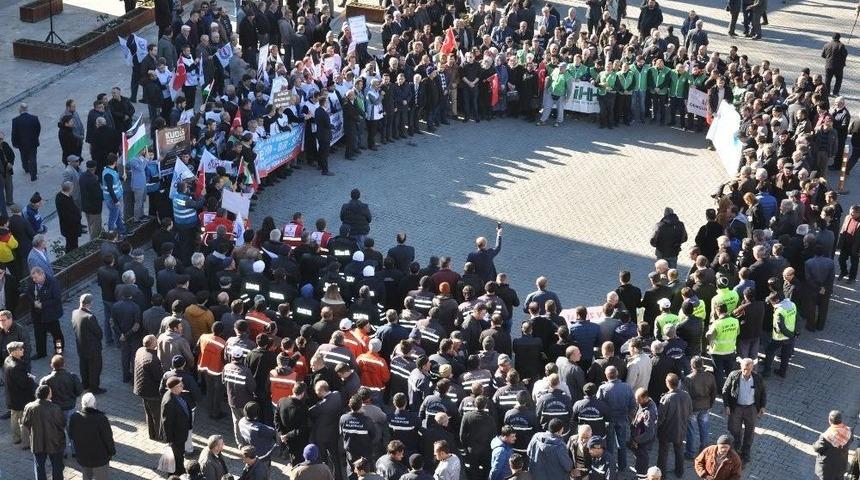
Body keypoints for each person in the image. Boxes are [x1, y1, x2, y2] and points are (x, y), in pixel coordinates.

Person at [722, 358, 766, 463]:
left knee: (750, 431)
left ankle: (746, 452)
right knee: (733, 428)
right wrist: (727, 405)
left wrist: (763, 406)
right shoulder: (734, 376)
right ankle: (737, 443)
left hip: (751, 408)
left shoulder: (757, 378)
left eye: (749, 369)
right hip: (736, 407)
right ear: (741, 367)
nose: (747, 372)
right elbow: (725, 390)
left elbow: (763, 392)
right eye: (745, 369)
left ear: (752, 368)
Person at [68, 393, 115, 480]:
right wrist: (111, 451)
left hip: (83, 456)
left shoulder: (74, 417)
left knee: (86, 477)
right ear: (94, 404)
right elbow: (108, 438)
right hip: (100, 458)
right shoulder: (101, 419)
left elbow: (71, 435)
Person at [24, 266, 64, 360]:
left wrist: (43, 305)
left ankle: (59, 350)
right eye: (33, 278)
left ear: (42, 274)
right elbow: (28, 293)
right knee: (39, 334)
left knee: (56, 334)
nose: (34, 280)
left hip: (50, 314)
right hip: (37, 314)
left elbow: (57, 299)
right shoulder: (32, 281)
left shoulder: (52, 282)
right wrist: (34, 302)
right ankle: (41, 352)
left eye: (36, 278)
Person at [657, 373, 692, 477]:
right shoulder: (686, 395)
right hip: (681, 429)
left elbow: (660, 417)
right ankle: (679, 471)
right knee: (679, 451)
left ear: (667, 383)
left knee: (663, 453)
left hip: (666, 430)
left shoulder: (666, 398)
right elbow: (690, 411)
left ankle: (661, 474)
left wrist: (655, 428)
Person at [4, 341, 35, 446]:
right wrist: (30, 379)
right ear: (13, 352)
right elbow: (24, 383)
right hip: (20, 398)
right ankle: (26, 443)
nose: (23, 350)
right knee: (24, 420)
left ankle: (16, 438)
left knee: (14, 417)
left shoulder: (7, 360)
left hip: (12, 396)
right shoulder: (16, 367)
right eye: (20, 349)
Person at [161, 376, 193, 475]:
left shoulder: (178, 394)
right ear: (174, 388)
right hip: (176, 437)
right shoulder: (169, 402)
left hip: (181, 433)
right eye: (180, 385)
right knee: (177, 456)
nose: (182, 386)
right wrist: (170, 440)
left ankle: (179, 470)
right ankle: (176, 473)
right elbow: (167, 423)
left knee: (180, 454)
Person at [133, 334, 163, 440]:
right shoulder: (152, 359)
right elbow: (158, 377)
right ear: (153, 344)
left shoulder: (140, 351)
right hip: (152, 392)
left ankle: (151, 434)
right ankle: (158, 435)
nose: (157, 341)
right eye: (156, 340)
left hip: (141, 388)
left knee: (148, 413)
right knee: (156, 415)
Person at [762, 292, 797, 378]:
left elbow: (781, 327)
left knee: (769, 351)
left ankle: (766, 372)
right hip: (791, 335)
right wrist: (794, 333)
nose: (772, 304)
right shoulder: (792, 304)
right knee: (785, 355)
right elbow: (797, 319)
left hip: (780, 337)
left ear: (777, 300)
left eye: (772, 302)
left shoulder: (779, 311)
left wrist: (790, 335)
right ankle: (782, 372)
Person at [814, 410, 853, 480]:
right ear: (841, 420)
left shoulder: (825, 436)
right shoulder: (849, 430)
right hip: (841, 466)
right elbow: (851, 440)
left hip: (827, 469)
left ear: (830, 421)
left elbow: (817, 448)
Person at [10, 103, 40, 182]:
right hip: (33, 142)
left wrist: (14, 143)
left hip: (21, 144)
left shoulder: (15, 120)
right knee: (33, 158)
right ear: (27, 109)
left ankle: (26, 169)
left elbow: (14, 133)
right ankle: (33, 175)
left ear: (20, 110)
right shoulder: (34, 118)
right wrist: (35, 138)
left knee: (23, 157)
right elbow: (38, 129)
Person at [55, 181, 82, 253]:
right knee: (71, 244)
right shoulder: (62, 200)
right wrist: (77, 218)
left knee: (73, 243)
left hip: (72, 227)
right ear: (70, 189)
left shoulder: (65, 196)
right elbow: (67, 216)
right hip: (70, 228)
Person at [838, 205, 860, 283]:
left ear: (858, 213)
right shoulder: (848, 217)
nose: (851, 214)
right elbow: (843, 229)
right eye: (850, 212)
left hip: (856, 247)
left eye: (853, 213)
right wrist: (840, 243)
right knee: (841, 259)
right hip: (845, 244)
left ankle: (852, 278)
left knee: (854, 264)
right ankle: (844, 271)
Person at [315, 94, 335, 176]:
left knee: (321, 151)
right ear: (324, 103)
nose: (327, 103)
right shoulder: (324, 113)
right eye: (326, 102)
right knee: (325, 153)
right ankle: (325, 170)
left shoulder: (317, 110)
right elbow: (327, 124)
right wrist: (332, 126)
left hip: (320, 134)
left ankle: (320, 165)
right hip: (325, 135)